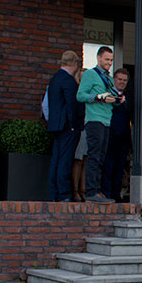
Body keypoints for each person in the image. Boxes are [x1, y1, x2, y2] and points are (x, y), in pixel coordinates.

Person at [76, 46, 123, 203]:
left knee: (101, 157)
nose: (109, 63)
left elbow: (111, 100)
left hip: (106, 120)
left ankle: (96, 190)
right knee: (94, 156)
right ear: (98, 58)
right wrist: (99, 97)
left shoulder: (109, 79)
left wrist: (117, 100)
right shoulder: (90, 74)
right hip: (94, 120)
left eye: (111, 60)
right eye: (107, 59)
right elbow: (80, 95)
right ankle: (91, 192)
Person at [45, 50, 85, 202]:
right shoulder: (69, 82)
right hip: (68, 126)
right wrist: (74, 125)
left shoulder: (54, 80)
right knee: (65, 161)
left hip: (56, 126)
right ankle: (64, 194)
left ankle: (55, 193)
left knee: (56, 160)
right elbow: (72, 105)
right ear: (75, 64)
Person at [101, 67, 133, 201]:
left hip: (124, 137)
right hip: (110, 135)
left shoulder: (129, 97)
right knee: (108, 165)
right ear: (113, 80)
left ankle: (116, 194)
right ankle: (106, 193)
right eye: (119, 79)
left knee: (120, 167)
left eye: (125, 80)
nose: (122, 82)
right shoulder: (108, 95)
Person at [70, 68, 87, 201]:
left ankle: (84, 190)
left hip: (88, 129)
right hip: (79, 129)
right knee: (78, 161)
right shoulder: (75, 93)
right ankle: (75, 191)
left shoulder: (88, 93)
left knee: (86, 161)